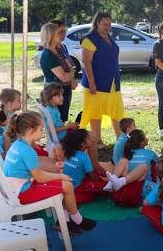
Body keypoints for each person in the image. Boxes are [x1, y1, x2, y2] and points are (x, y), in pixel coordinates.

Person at [3, 111, 96, 235]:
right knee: (66, 184)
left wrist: (55, 169)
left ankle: (66, 221)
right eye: (41, 129)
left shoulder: (17, 145)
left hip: (14, 189)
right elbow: (40, 177)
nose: (43, 133)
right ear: (31, 131)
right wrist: (60, 175)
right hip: (22, 194)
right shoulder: (27, 151)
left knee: (59, 182)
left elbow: (33, 169)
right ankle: (77, 219)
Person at [80, 11, 125, 149]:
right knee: (95, 112)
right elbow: (86, 62)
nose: (107, 27)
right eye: (104, 24)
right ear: (97, 23)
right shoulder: (89, 39)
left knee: (117, 111)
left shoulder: (109, 37)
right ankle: (97, 140)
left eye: (109, 24)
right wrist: (92, 83)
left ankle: (121, 139)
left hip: (112, 82)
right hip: (96, 83)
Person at [105, 129, 157, 206]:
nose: (147, 138)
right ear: (142, 143)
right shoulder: (151, 154)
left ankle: (111, 183)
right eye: (145, 137)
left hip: (122, 192)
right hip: (142, 191)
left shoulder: (126, 155)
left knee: (123, 161)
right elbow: (157, 172)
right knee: (144, 167)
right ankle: (114, 182)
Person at [39, 22, 77, 122]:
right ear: (51, 35)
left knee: (62, 119)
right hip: (53, 93)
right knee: (56, 121)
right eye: (59, 32)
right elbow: (64, 76)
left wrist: (70, 73)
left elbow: (71, 68)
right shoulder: (48, 54)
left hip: (63, 90)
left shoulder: (59, 50)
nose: (62, 35)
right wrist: (70, 72)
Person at [62, 129, 107, 204]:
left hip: (68, 184)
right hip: (77, 188)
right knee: (105, 186)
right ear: (83, 144)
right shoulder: (84, 157)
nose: (91, 140)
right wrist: (103, 182)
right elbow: (93, 177)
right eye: (89, 138)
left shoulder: (70, 152)